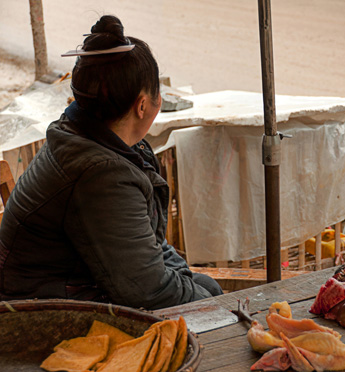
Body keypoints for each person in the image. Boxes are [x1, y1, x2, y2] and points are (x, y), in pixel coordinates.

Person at [0, 15, 223, 310]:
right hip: (39, 310)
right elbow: (147, 289)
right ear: (142, 105)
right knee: (212, 304)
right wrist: (210, 303)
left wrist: (188, 280)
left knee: (206, 287)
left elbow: (148, 247)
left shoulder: (83, 132)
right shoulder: (101, 173)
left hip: (66, 285)